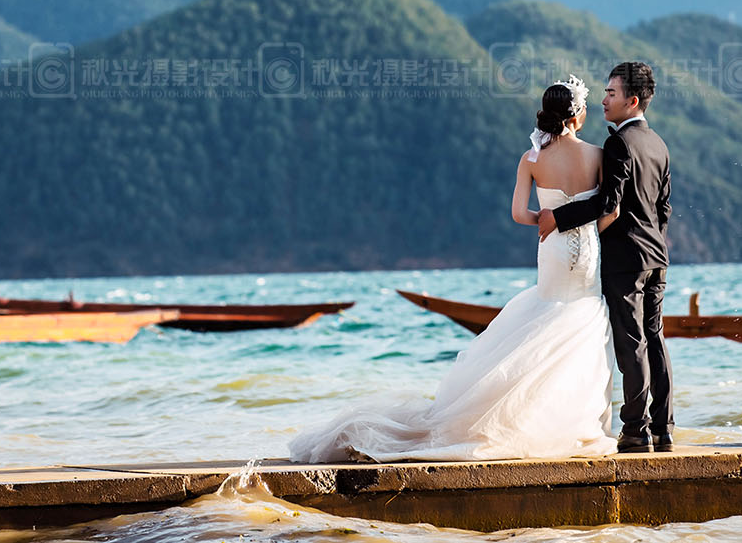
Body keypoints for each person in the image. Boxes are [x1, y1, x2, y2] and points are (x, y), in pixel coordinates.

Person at [288, 76, 618, 462]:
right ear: (577, 115)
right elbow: (608, 210)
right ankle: (574, 421)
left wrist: (545, 219)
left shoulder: (531, 159)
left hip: (552, 249)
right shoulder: (597, 155)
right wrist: (588, 231)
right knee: (584, 323)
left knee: (546, 315)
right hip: (588, 252)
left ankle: (519, 415)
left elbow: (517, 214)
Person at [538, 61, 673, 453]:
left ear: (632, 100)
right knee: (654, 337)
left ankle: (634, 430)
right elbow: (663, 209)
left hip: (625, 257)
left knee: (630, 342)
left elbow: (608, 202)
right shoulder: (659, 144)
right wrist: (654, 245)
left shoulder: (619, 143)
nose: (603, 100)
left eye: (611, 93)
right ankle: (662, 428)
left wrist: (558, 217)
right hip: (656, 256)